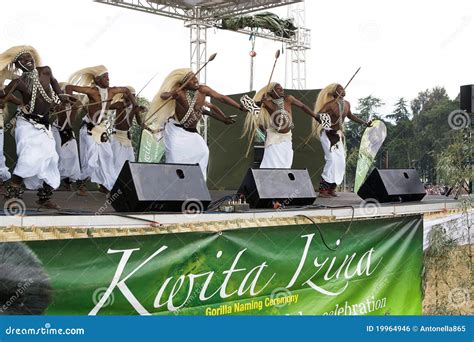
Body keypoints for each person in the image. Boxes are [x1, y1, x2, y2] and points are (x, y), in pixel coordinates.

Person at [0, 45, 67, 208]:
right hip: (26, 124)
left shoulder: (45, 71)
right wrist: (5, 101)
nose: (27, 61)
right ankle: (12, 196)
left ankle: (44, 198)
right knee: (29, 158)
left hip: (44, 125)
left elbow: (55, 82)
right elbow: (3, 97)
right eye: (22, 60)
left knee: (52, 159)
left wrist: (62, 97)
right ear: (17, 65)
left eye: (29, 57)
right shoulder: (18, 82)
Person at [146, 68, 242, 179]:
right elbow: (163, 96)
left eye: (195, 77)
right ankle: (173, 186)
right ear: (184, 83)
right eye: (192, 79)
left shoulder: (202, 91)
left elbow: (220, 98)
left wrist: (236, 109)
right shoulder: (180, 92)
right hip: (176, 131)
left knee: (203, 152)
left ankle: (197, 182)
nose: (196, 80)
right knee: (175, 160)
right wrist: (172, 93)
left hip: (192, 133)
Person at [65, 65, 137, 194]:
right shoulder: (92, 91)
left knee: (107, 157)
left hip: (102, 130)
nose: (108, 79)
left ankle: (108, 186)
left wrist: (134, 103)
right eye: (105, 77)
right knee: (91, 159)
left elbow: (126, 90)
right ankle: (81, 183)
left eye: (108, 76)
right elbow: (69, 87)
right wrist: (70, 100)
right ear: (97, 79)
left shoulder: (112, 91)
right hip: (89, 130)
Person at [310, 83, 371, 198]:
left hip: (337, 135)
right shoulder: (330, 105)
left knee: (340, 162)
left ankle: (332, 188)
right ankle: (323, 190)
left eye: (343, 88)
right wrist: (327, 127)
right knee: (331, 160)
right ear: (335, 92)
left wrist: (364, 123)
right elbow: (318, 115)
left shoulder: (346, 104)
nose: (343, 90)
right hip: (327, 134)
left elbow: (351, 116)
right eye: (340, 89)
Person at [242, 82, 320, 169]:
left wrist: (315, 116)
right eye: (279, 89)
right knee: (273, 162)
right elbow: (245, 108)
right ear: (271, 92)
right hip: (275, 134)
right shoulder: (267, 102)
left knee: (286, 161)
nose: (282, 90)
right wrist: (255, 103)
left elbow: (302, 106)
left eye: (282, 88)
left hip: (286, 136)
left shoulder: (288, 99)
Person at [51, 83, 82, 191]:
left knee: (73, 156)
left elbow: (79, 104)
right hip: (57, 131)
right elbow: (53, 107)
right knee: (57, 156)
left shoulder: (75, 105)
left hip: (68, 132)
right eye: (63, 94)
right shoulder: (58, 105)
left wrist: (73, 105)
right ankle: (52, 182)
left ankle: (68, 182)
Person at [109, 87, 145, 177]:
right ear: (124, 95)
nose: (133, 97)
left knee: (130, 161)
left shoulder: (134, 107)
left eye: (134, 96)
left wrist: (149, 128)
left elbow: (140, 123)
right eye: (130, 95)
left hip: (127, 138)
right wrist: (122, 106)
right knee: (116, 162)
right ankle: (111, 185)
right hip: (117, 136)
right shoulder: (119, 104)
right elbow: (107, 107)